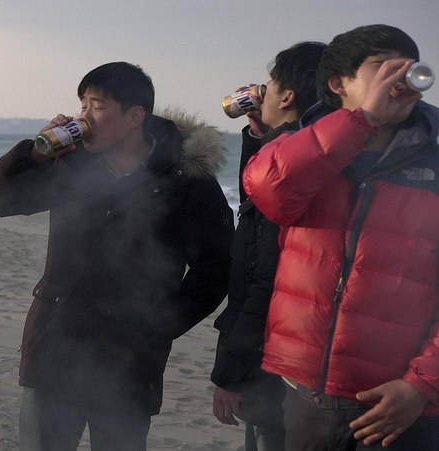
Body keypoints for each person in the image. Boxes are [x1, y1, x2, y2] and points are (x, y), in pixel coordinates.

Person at [0, 61, 234, 450]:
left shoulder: (184, 180)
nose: (84, 116)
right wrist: (35, 154)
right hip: (55, 350)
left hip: (130, 364)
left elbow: (215, 268)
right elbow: (2, 200)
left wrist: (159, 323)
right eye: (82, 104)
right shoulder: (71, 164)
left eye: (97, 106)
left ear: (135, 116)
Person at [243, 24, 439, 450]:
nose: (399, 78)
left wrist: (423, 385)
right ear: (338, 83)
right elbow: (267, 188)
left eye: (407, 67)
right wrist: (362, 121)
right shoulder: (301, 146)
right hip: (308, 395)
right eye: (382, 67)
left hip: (403, 403)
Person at [210, 41, 326, 451]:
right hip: (295, 362)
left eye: (271, 84)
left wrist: (230, 373)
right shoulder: (314, 153)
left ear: (288, 96)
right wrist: (261, 138)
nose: (264, 92)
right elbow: (255, 203)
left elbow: (262, 276)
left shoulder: (290, 166)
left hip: (272, 365)